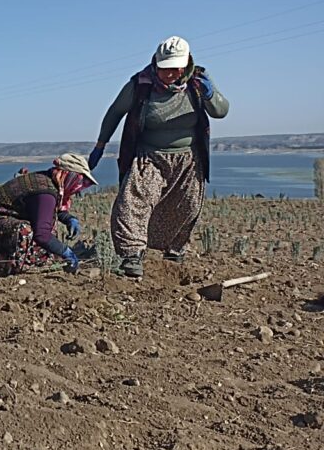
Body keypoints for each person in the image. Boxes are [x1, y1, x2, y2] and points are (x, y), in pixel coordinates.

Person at [88, 35, 229, 277]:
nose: (170, 74)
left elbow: (220, 111)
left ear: (185, 65)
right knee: (133, 202)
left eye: (175, 69)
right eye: (165, 68)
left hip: (188, 158)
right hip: (149, 156)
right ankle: (132, 256)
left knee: (186, 206)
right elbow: (114, 112)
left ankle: (173, 250)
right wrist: (100, 145)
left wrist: (210, 95)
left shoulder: (198, 83)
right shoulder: (141, 84)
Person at [0, 154, 97, 276]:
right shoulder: (45, 191)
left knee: (46, 230)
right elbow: (42, 234)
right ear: (69, 175)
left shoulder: (48, 180)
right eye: (82, 181)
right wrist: (65, 251)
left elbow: (47, 209)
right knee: (26, 231)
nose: (82, 187)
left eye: (87, 184)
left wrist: (69, 219)